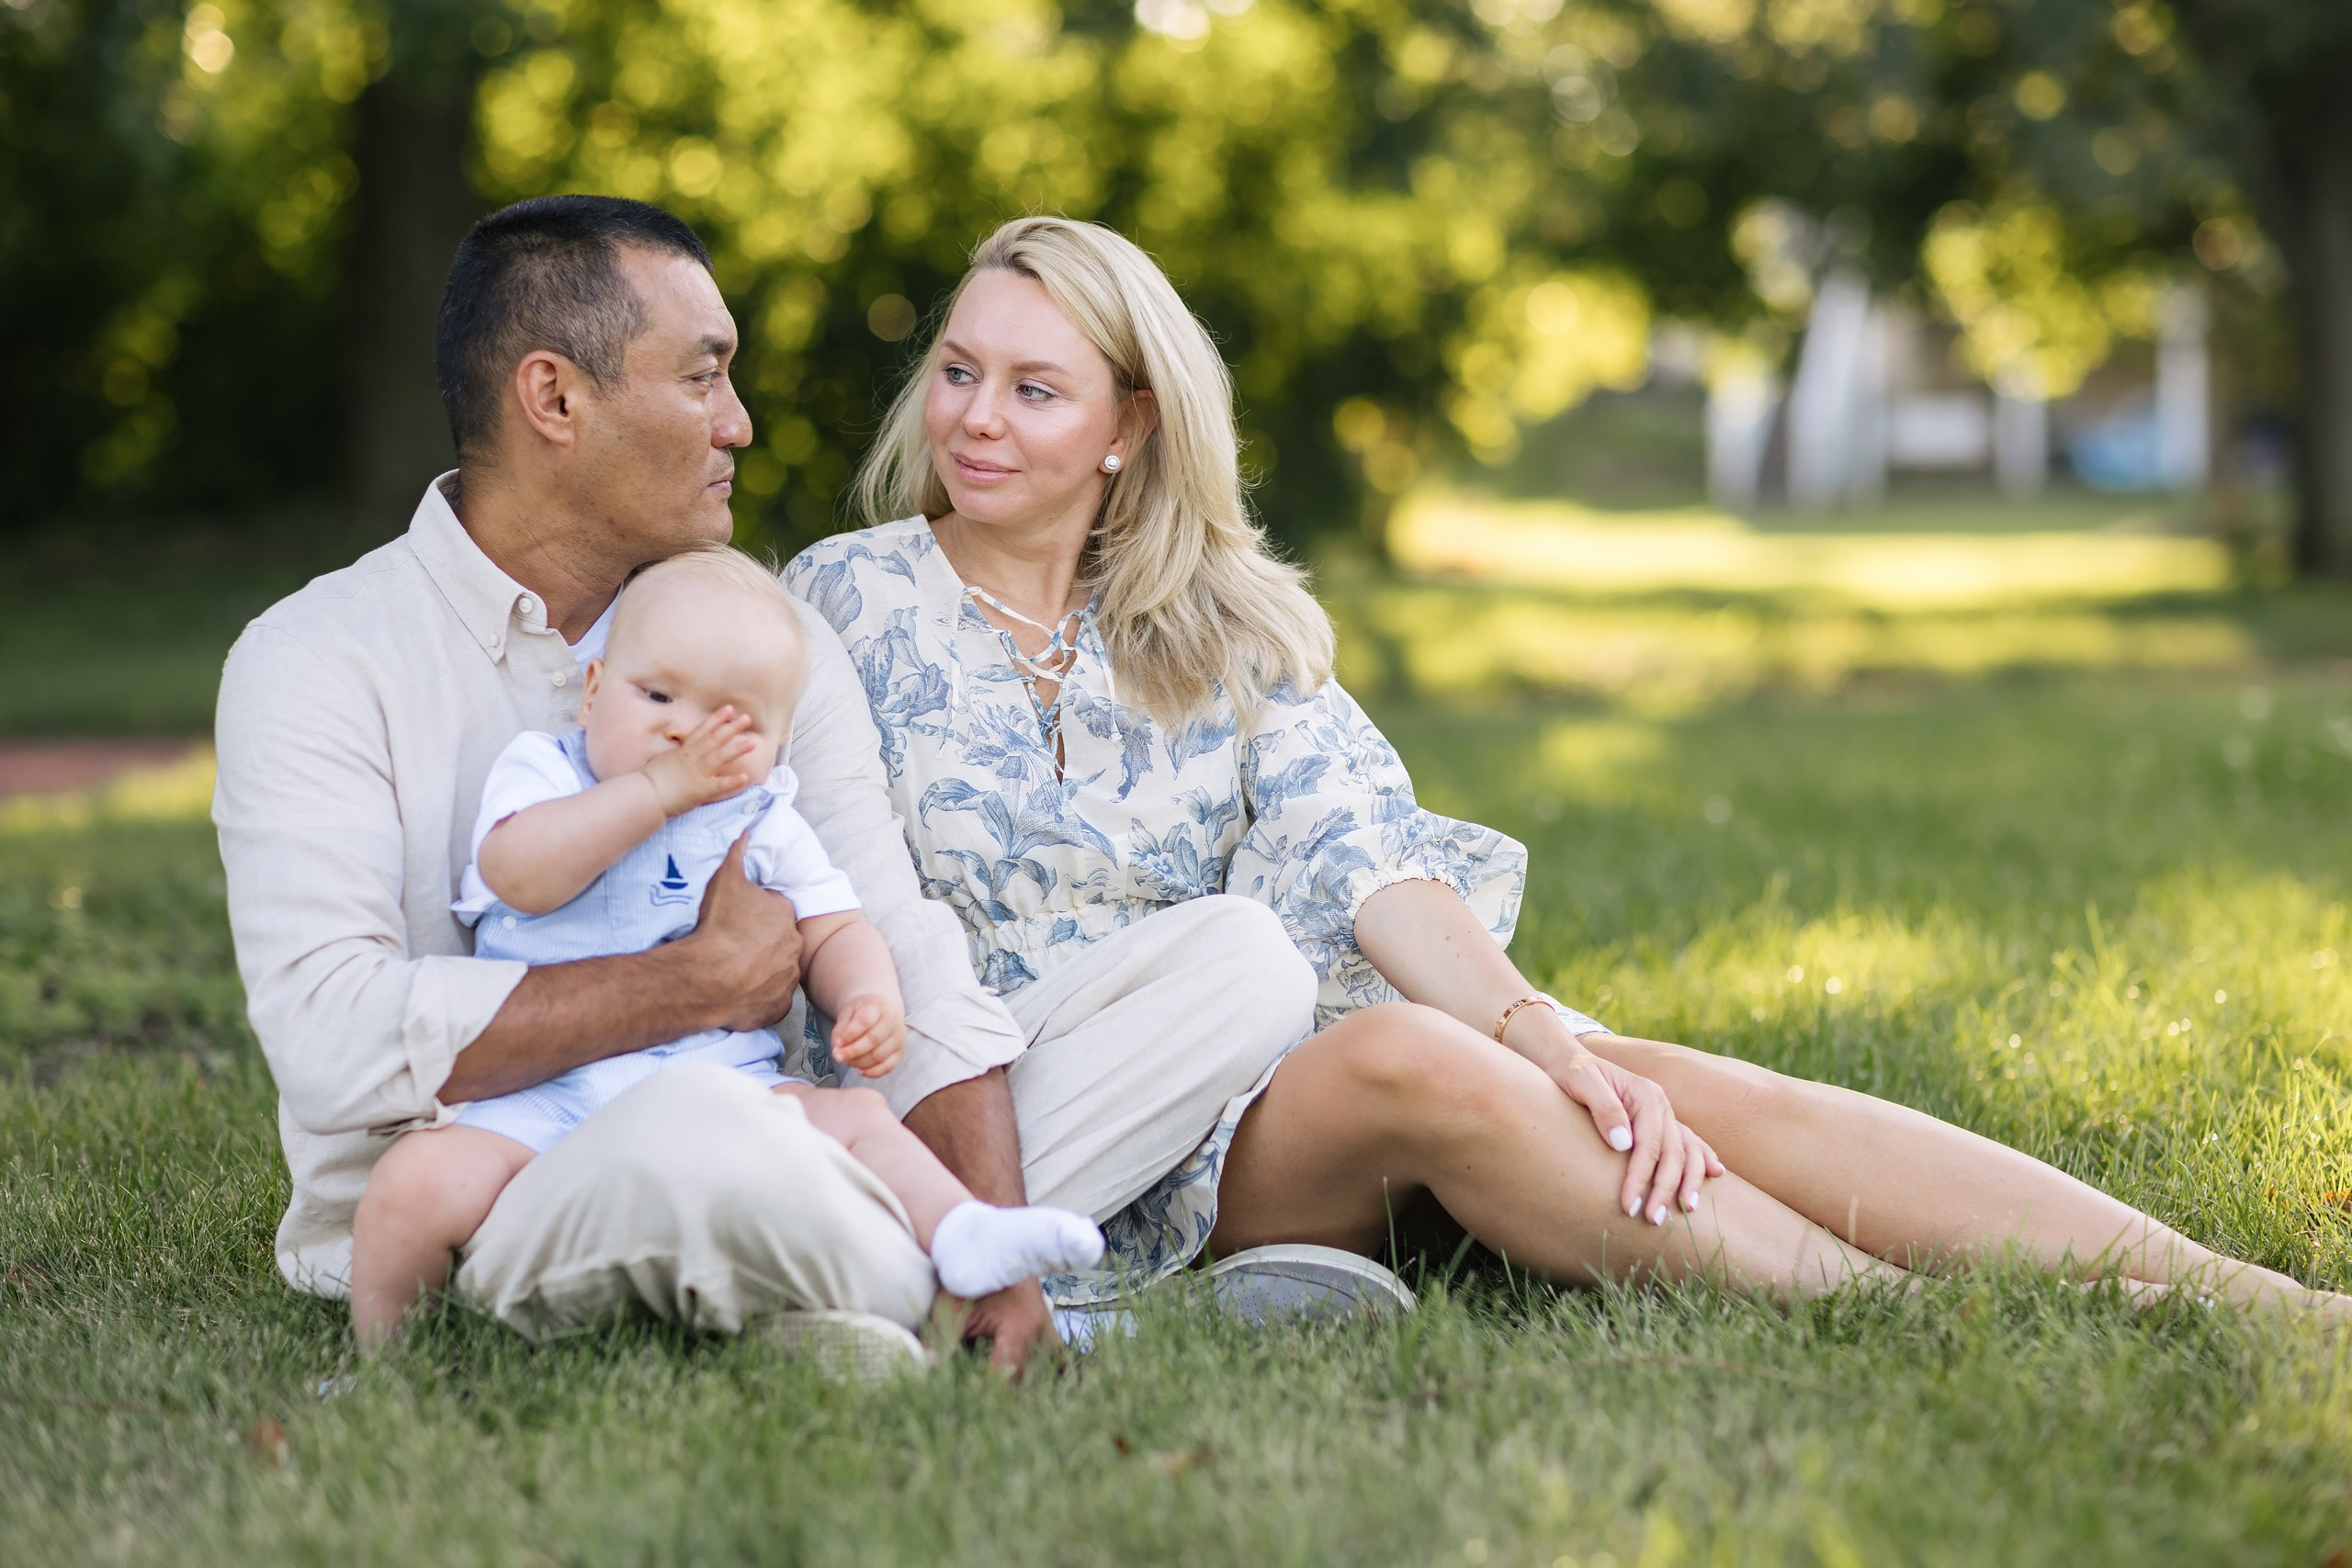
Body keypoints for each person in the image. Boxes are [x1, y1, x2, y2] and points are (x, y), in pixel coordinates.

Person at [786, 214, 2352, 1330]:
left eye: (1034, 387)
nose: (976, 418)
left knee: (1640, 1074)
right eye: (960, 371)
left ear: (1131, 424)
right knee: (1415, 1061)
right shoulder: (846, 599)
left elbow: (1368, 854)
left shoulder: (1215, 619)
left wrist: (1555, 1036)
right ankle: (1926, 1307)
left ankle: (2238, 1288)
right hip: (1035, 1123)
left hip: (1265, 1081)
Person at [220, 194, 1245, 1372]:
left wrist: (990, 1227)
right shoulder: (317, 660)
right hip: (497, 1192)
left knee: (1227, 963)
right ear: (555, 399)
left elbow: (891, 936)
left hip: (768, 1134)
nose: (740, 423)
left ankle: (957, 1270)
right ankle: (888, 1288)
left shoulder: (766, 641)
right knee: (699, 1131)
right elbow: (334, 1045)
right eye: (704, 377)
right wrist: (691, 985)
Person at [345, 547, 1102, 1348]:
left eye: (731, 723)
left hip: (725, 1082)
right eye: (657, 695)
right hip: (541, 1100)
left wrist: (867, 997)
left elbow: (835, 927)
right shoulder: (547, 773)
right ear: (593, 691)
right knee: (412, 1184)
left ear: (777, 744)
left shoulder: (762, 816)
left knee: (855, 1117)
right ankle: (391, 1365)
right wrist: (656, 791)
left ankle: (962, 1229)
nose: (684, 731)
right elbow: (519, 873)